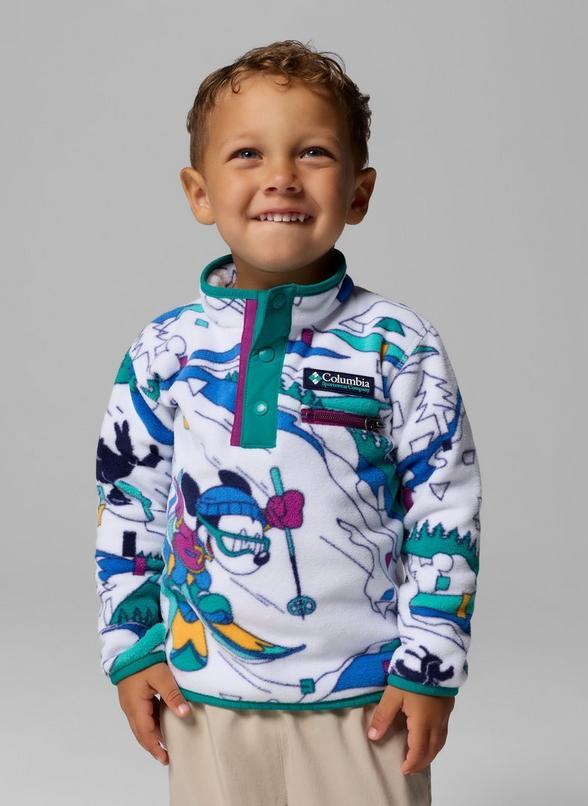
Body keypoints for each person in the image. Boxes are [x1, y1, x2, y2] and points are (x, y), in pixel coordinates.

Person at [94, 39, 482, 806]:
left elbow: (446, 510)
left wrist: (430, 664)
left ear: (359, 193)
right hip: (205, 691)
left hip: (368, 697)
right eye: (248, 154)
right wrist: (132, 646)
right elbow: (127, 507)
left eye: (313, 152)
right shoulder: (164, 351)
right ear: (199, 193)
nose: (281, 176)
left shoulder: (398, 345)